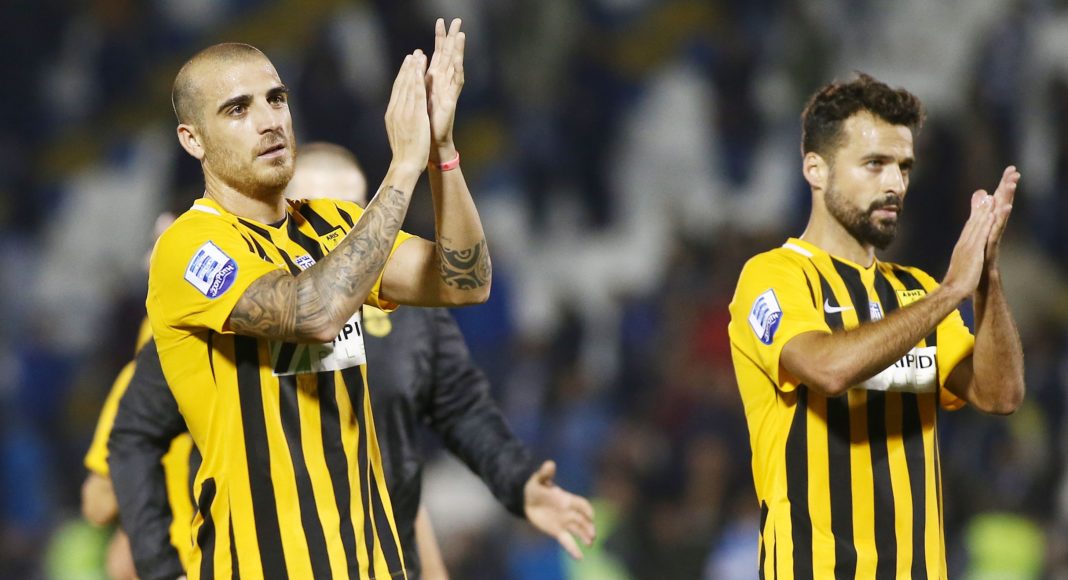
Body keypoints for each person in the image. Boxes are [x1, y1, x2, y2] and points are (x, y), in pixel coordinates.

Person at [107, 143, 596, 580]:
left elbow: (461, 407)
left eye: (355, 214)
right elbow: (133, 435)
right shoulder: (236, 316)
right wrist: (159, 564)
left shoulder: (410, 313)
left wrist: (519, 483)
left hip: (384, 558)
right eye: (320, 209)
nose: (342, 236)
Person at [146, 19, 488, 579]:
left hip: (375, 564)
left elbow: (465, 280)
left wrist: (441, 155)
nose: (269, 121)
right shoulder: (189, 247)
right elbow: (314, 312)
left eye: (276, 99)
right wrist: (402, 166)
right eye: (237, 109)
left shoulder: (334, 224)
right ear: (193, 139)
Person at [727, 73, 1025, 578]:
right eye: (874, 164)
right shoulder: (773, 276)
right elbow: (827, 369)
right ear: (815, 169)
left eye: (904, 167)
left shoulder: (915, 291)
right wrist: (951, 291)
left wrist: (985, 279)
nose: (895, 185)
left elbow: (1000, 395)